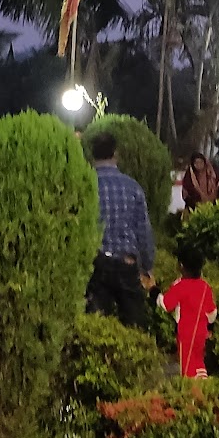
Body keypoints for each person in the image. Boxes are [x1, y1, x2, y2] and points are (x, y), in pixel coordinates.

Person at [87, 131, 155, 329]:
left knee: (97, 326)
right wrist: (147, 266)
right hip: (127, 262)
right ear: (115, 153)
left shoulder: (86, 184)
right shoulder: (133, 187)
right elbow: (143, 231)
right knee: (134, 324)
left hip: (96, 262)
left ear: (92, 154)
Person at [158, 246, 217, 378]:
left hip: (186, 332)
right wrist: (209, 327)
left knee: (187, 364)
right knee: (198, 359)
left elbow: (165, 305)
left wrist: (153, 291)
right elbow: (212, 314)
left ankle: (193, 390)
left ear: (181, 266)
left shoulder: (180, 286)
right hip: (201, 332)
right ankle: (203, 381)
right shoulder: (205, 287)